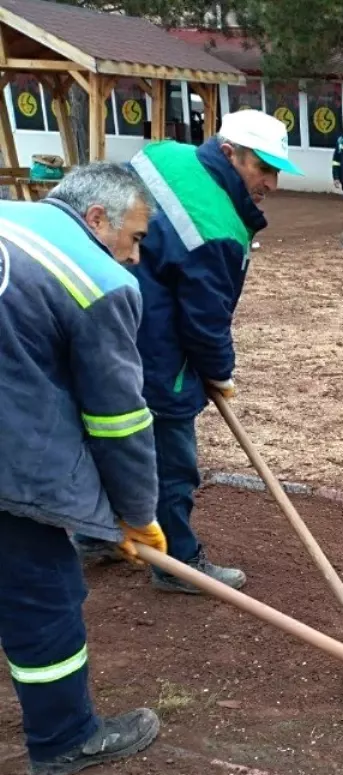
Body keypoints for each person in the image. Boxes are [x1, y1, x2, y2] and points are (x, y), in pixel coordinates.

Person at [76, 109, 303, 593]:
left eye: (275, 170)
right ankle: (177, 563)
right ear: (229, 153)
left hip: (93, 322)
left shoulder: (163, 154)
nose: (271, 183)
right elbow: (205, 320)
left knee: (102, 435)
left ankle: (96, 534)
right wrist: (219, 372)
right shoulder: (217, 227)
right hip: (157, 351)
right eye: (262, 168)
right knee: (171, 458)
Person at [0, 162, 166, 775]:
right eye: (137, 238)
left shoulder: (8, 217)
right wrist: (137, 516)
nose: (136, 257)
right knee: (41, 594)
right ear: (97, 219)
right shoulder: (99, 281)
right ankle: (64, 737)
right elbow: (118, 422)